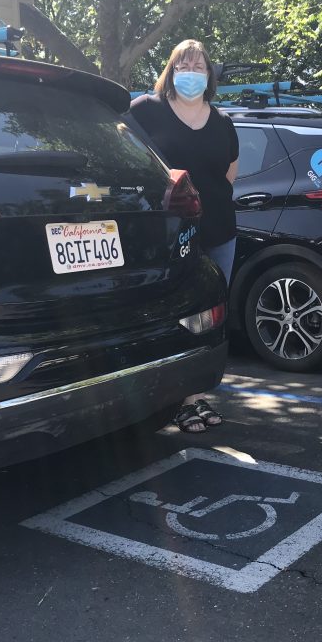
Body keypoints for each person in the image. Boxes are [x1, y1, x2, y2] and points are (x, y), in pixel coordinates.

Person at [129, 39, 238, 433]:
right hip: (167, 235)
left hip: (219, 231)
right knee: (170, 314)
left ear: (209, 74)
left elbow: (227, 177)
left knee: (208, 318)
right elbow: (127, 155)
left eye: (199, 65)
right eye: (183, 64)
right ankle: (167, 397)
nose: (191, 71)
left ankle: (193, 398)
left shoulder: (224, 122)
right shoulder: (146, 111)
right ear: (171, 70)